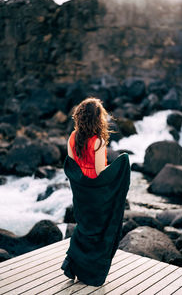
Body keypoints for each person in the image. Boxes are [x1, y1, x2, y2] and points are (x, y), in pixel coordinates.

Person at [61, 97, 130, 286]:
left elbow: (72, 164)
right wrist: (120, 169)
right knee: (98, 231)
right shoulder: (98, 141)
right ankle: (91, 273)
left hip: (80, 190)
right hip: (95, 192)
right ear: (97, 119)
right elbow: (100, 172)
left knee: (84, 228)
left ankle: (73, 266)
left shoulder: (73, 136)